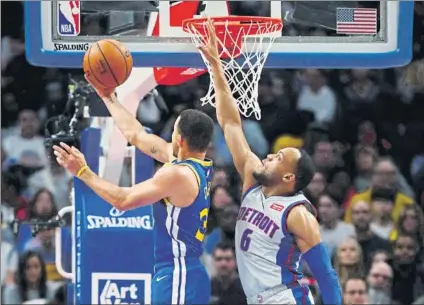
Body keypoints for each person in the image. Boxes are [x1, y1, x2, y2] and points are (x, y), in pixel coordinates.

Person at [198, 19, 341, 304]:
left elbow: (326, 275)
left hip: (287, 298)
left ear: (289, 178)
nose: (268, 156)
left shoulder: (298, 213)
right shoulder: (252, 178)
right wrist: (216, 66)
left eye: (278, 158)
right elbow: (230, 124)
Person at [53, 78, 215, 305]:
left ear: (179, 139)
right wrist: (107, 96)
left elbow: (124, 200)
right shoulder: (197, 164)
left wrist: (82, 171)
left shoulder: (178, 175)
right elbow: (136, 135)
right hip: (182, 273)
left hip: (179, 276)